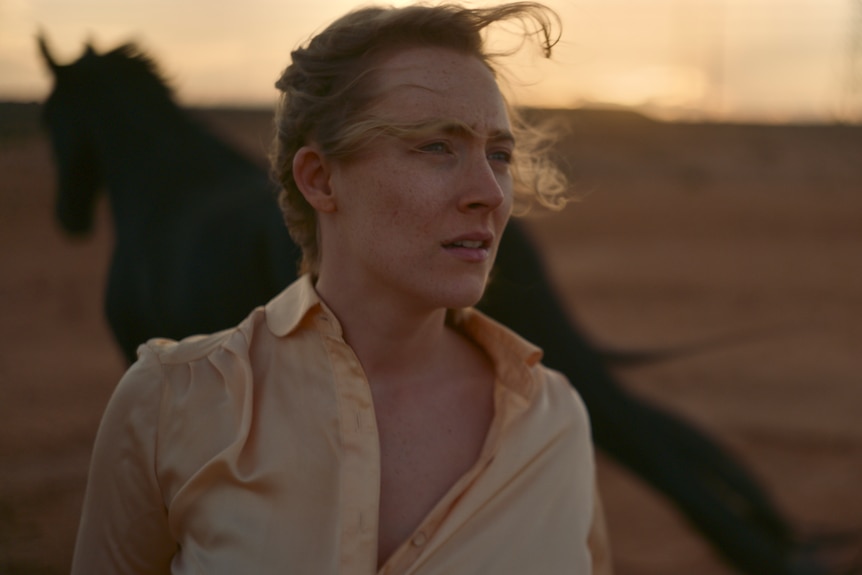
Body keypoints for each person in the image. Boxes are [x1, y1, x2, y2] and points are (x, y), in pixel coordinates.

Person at [70, 2, 613, 574]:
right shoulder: (171, 402)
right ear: (320, 179)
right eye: (436, 146)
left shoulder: (554, 420)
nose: (491, 192)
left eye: (499, 155)